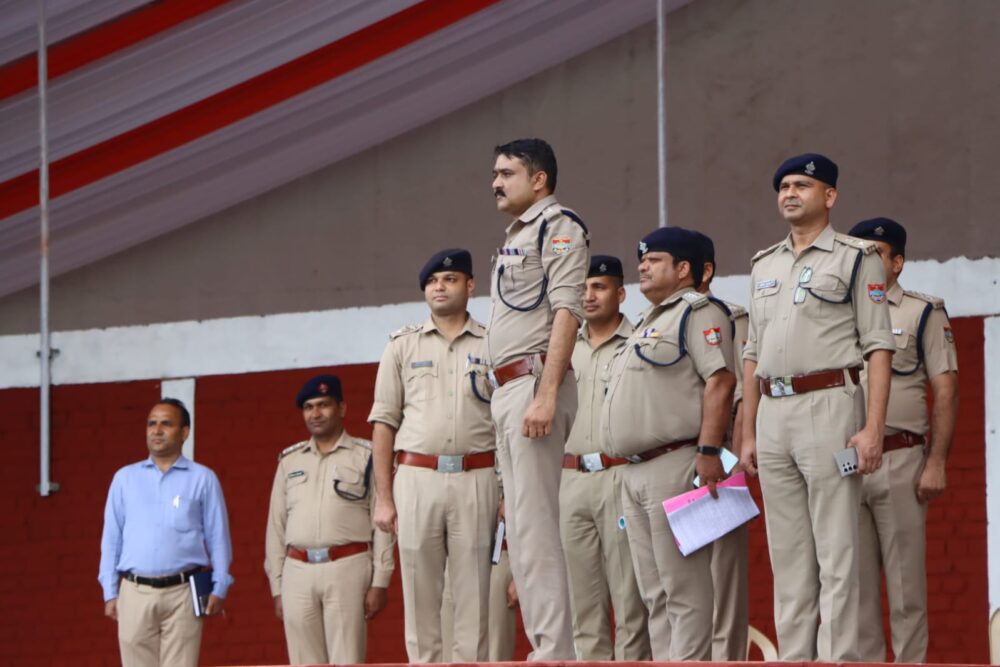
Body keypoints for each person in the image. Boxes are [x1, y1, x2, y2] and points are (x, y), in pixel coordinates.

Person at [741, 154, 895, 661]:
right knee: (788, 559)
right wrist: (747, 433)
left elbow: (878, 346)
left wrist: (873, 427)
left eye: (802, 185)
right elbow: (751, 353)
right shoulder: (764, 263)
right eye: (783, 186)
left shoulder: (857, 257)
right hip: (772, 412)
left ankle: (838, 659)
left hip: (830, 405)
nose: (789, 193)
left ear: (829, 196)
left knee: (837, 553)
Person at [601, 227, 736, 660]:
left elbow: (720, 381)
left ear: (683, 269)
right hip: (635, 470)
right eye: (642, 259)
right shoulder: (648, 319)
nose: (642, 266)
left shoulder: (698, 312)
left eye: (654, 259)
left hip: (675, 465)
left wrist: (709, 452)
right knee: (654, 593)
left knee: (683, 588)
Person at [369, 249, 498, 662]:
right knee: (419, 595)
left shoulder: (492, 343)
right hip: (416, 478)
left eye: (450, 279)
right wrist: (384, 498)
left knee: (474, 596)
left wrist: (506, 492)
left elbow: (507, 423)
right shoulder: (401, 345)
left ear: (470, 286)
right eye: (432, 282)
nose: (439, 287)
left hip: (477, 477)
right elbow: (383, 424)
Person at [487, 137, 588, 660]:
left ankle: (554, 653)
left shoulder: (559, 226)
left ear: (539, 179)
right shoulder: (518, 234)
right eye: (496, 174)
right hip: (509, 391)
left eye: (506, 173)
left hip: (532, 383)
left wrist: (546, 395)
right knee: (522, 531)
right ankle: (546, 647)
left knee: (536, 527)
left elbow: (568, 311)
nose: (496, 183)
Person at [847, 217, 959, 663]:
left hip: (899, 459)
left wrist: (937, 462)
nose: (867, 262)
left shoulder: (921, 311)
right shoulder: (836, 313)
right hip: (845, 465)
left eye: (875, 254)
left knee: (905, 588)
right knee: (853, 591)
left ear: (897, 262)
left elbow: (946, 390)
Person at [265, 375, 394, 665]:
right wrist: (277, 586)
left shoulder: (367, 456)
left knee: (346, 659)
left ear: (342, 408)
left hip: (347, 566)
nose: (316, 413)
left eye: (324, 404)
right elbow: (276, 528)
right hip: (297, 571)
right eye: (309, 407)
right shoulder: (289, 461)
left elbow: (383, 523)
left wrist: (381, 580)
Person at [560, 254, 650, 660]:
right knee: (582, 603)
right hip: (570, 479)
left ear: (620, 293)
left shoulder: (640, 340)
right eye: (582, 288)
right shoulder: (560, 346)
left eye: (599, 287)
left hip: (620, 475)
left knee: (630, 599)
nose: (589, 296)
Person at [98, 398, 233, 667]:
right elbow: (111, 539)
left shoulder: (202, 478)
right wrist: (109, 591)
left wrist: (220, 586)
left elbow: (218, 537)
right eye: (152, 423)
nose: (157, 430)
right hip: (134, 591)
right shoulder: (124, 478)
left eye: (166, 424)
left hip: (183, 592)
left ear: (184, 432)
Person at [691, 231, 751, 661]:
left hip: (721, 458)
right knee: (678, 578)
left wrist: (736, 459)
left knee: (723, 578)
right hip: (675, 457)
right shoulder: (651, 323)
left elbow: (743, 393)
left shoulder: (732, 318)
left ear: (704, 270)